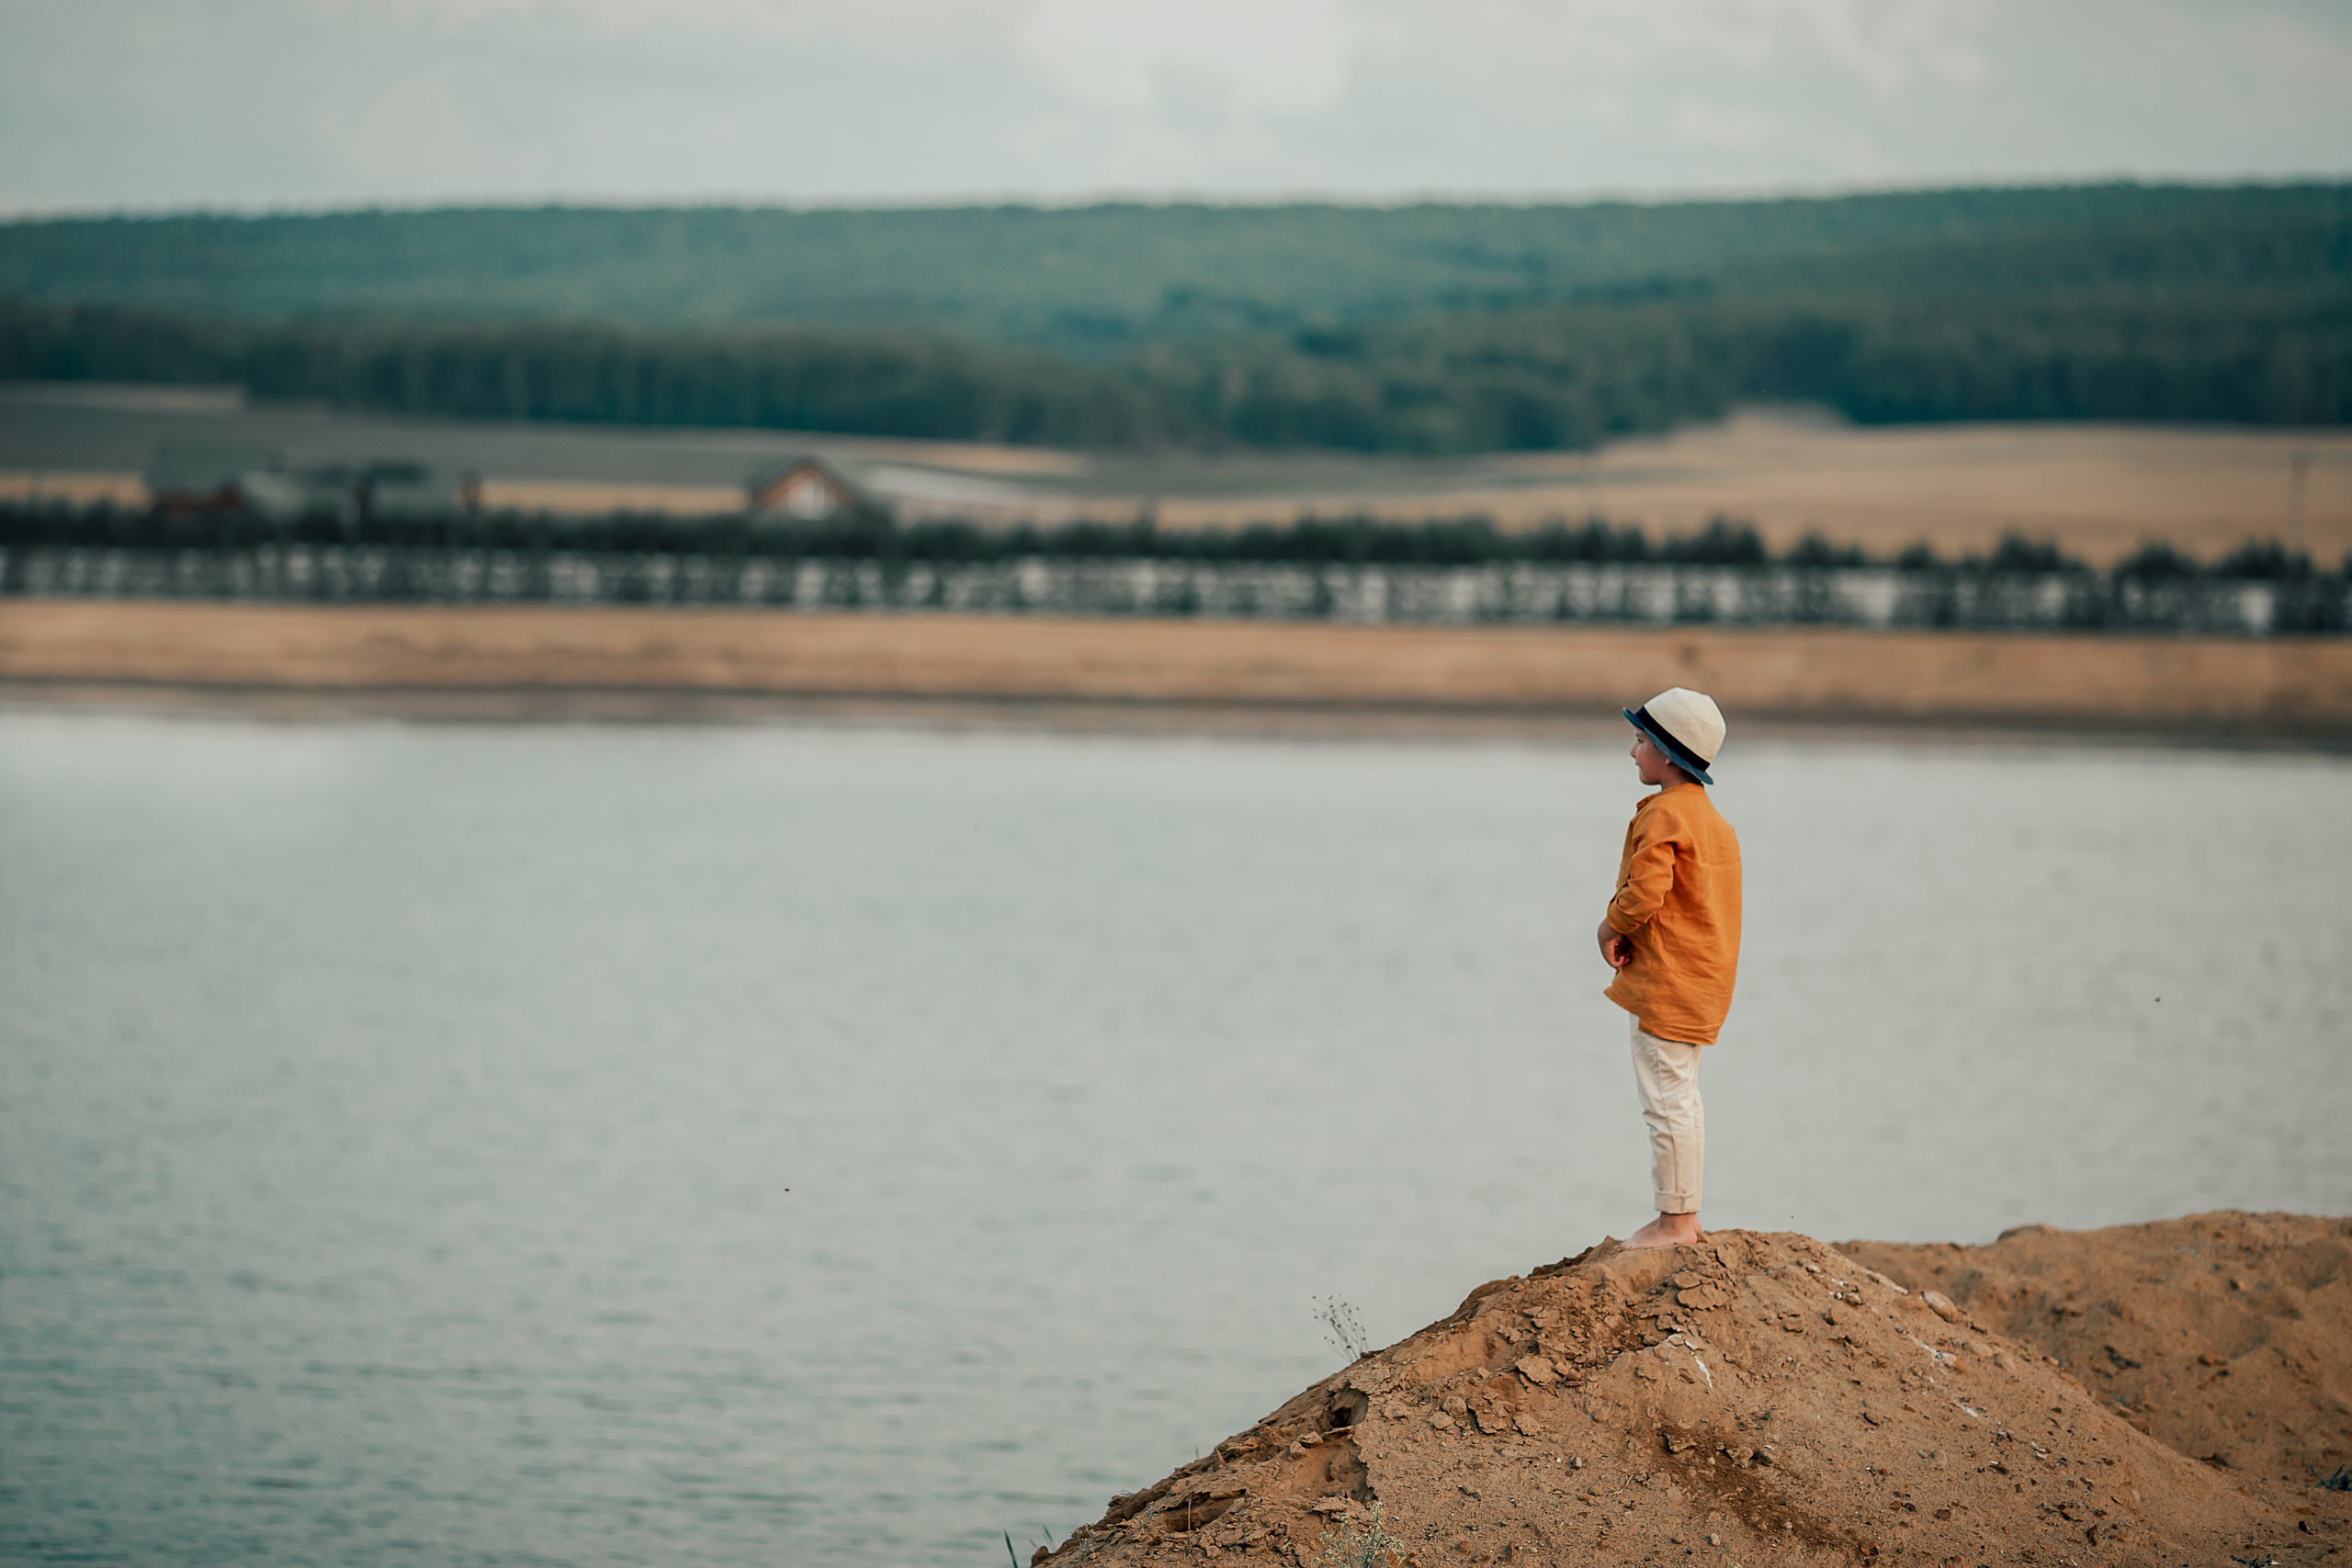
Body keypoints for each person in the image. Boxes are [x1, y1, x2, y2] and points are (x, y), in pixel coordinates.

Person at [1594, 687, 1741, 1251]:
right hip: (1701, 981)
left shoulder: (1663, 815)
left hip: (1667, 989)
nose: (1632, 753)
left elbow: (1644, 894)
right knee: (1684, 1097)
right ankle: (1685, 1215)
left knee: (1665, 1101)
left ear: (1665, 752)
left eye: (1638, 741)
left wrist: (1610, 929)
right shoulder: (1711, 821)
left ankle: (1676, 1224)